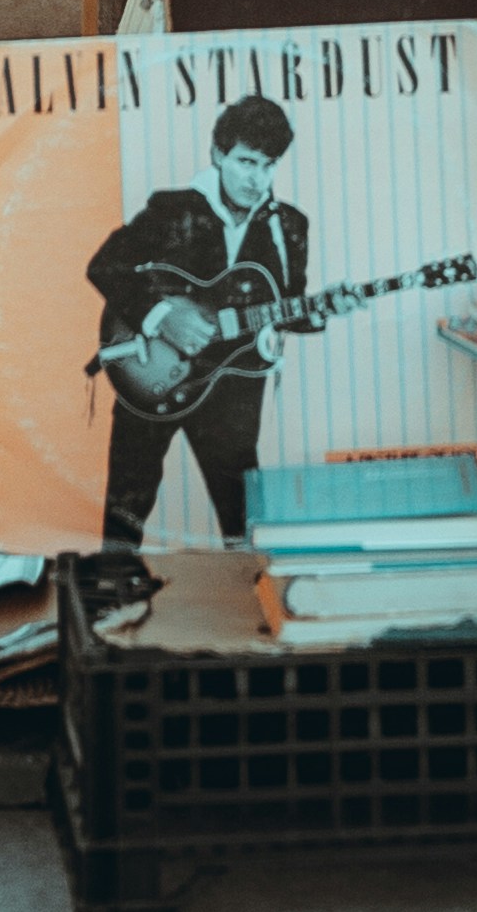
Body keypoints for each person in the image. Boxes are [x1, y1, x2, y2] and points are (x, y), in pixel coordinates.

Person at [83, 94, 310, 574]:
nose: (257, 178)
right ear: (218, 156)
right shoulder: (171, 211)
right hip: (153, 373)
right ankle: (110, 598)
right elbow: (105, 266)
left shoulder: (288, 226)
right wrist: (161, 316)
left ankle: (249, 606)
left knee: (240, 510)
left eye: (268, 166)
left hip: (235, 387)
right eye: (246, 162)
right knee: (129, 495)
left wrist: (316, 314)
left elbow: (286, 305)